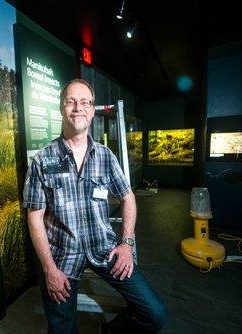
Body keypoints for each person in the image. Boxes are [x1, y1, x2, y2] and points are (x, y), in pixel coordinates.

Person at [23, 79, 167, 333]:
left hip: (105, 249)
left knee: (154, 313)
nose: (78, 107)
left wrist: (127, 244)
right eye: (71, 101)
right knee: (62, 330)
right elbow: (35, 217)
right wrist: (49, 270)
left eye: (85, 102)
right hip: (62, 256)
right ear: (61, 108)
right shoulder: (42, 160)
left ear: (92, 109)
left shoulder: (105, 156)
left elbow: (128, 197)